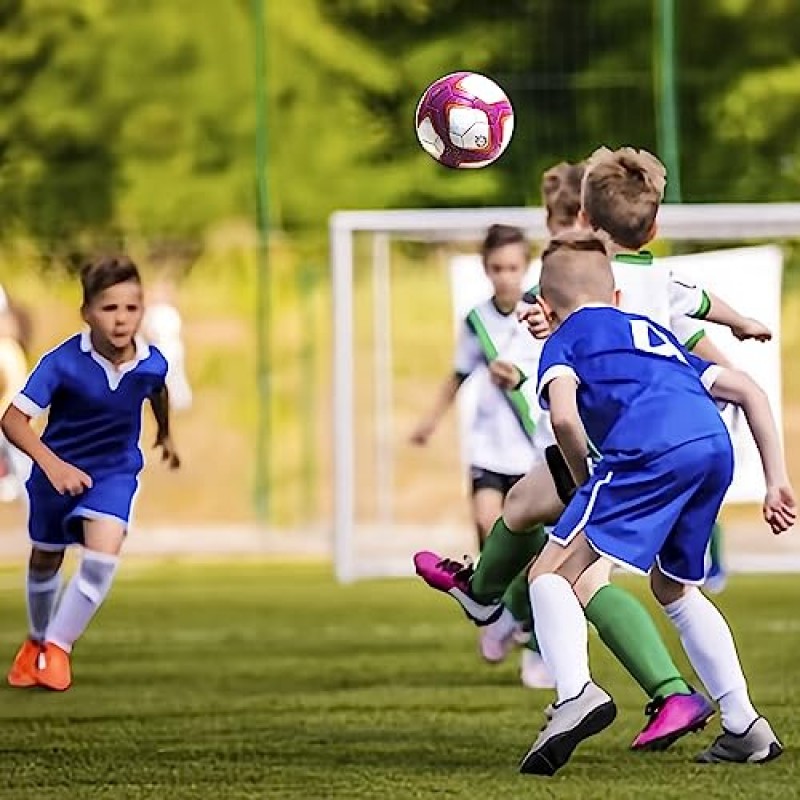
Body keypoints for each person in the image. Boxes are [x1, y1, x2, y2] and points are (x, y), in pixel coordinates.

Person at [414, 147, 773, 749]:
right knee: (535, 510)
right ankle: (729, 716)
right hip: (686, 436)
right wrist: (742, 333)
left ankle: (591, 684)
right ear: (653, 227)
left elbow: (563, 366)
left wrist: (545, 324)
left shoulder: (586, 288)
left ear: (581, 221)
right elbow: (702, 313)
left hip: (618, 449)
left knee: (565, 573)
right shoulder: (658, 282)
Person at [519, 230, 793, 775]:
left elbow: (565, 417)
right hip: (713, 447)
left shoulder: (563, 341)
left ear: (545, 308)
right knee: (674, 587)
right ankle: (743, 725)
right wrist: (777, 479)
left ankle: (574, 694)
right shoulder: (652, 332)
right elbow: (747, 391)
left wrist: (582, 482)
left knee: (548, 571)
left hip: (649, 450)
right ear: (617, 297)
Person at [3, 255, 180, 692]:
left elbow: (156, 390)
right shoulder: (61, 363)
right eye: (109, 308)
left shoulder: (152, 361)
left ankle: (58, 649)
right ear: (87, 312)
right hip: (54, 472)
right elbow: (11, 420)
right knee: (46, 558)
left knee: (101, 560)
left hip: (114, 472)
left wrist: (165, 436)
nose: (121, 319)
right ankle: (36, 642)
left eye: (131, 308)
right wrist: (53, 465)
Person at [410, 223, 543, 660]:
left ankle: (526, 627)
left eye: (513, 267)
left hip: (532, 445)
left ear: (526, 267)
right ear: (486, 269)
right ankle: (501, 614)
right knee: (489, 527)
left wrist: (521, 376)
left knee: (529, 546)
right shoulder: (476, 319)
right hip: (489, 444)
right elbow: (459, 374)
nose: (505, 275)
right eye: (497, 267)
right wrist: (429, 421)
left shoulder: (541, 313)